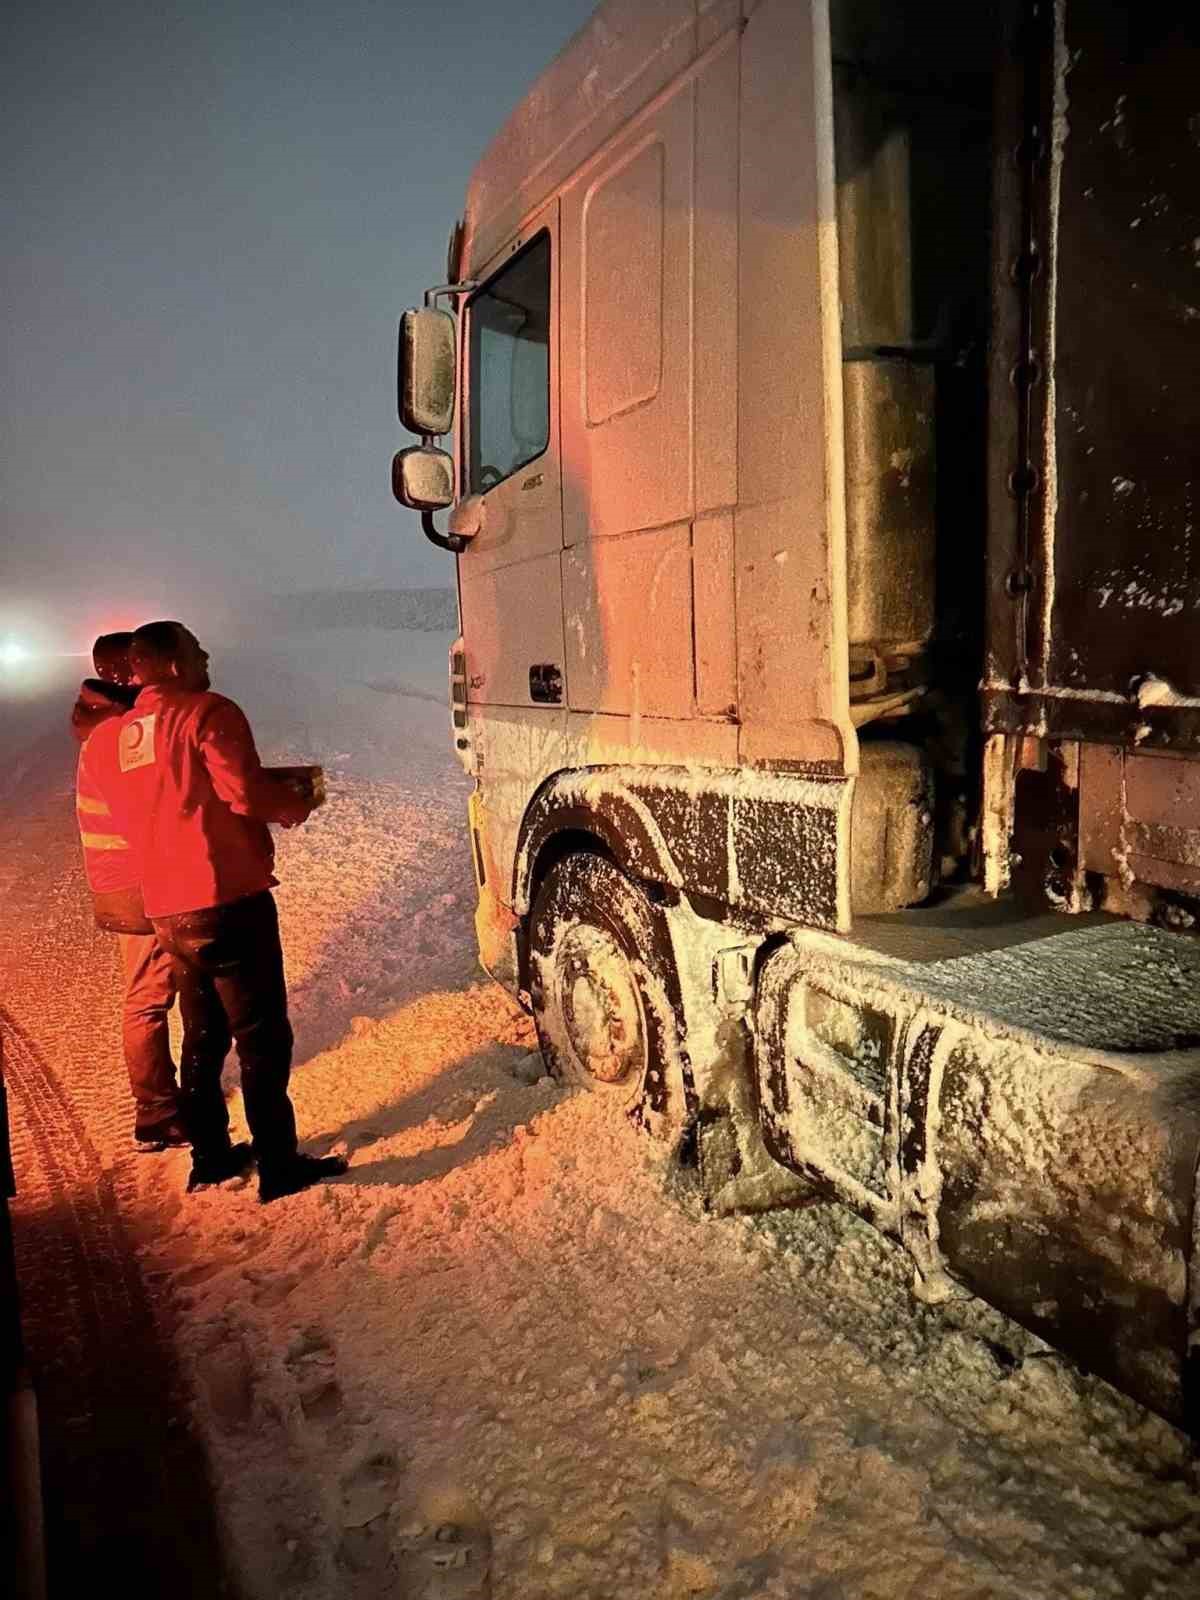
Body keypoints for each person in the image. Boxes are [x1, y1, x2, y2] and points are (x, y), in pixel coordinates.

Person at [84, 620, 347, 1202]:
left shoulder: (114, 737)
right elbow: (244, 793)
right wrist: (292, 805)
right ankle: (279, 1165)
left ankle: (210, 1157)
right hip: (226, 898)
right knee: (261, 1036)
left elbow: (143, 806)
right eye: (197, 650)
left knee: (202, 1035)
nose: (207, 658)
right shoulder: (208, 712)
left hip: (165, 908)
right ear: (176, 664)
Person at [73, 632, 196, 1150]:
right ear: (130, 672)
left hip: (122, 876)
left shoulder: (105, 723)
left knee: (152, 991)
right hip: (137, 879)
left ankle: (163, 1102)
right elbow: (152, 805)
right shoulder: (121, 732)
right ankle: (156, 1113)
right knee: (149, 996)